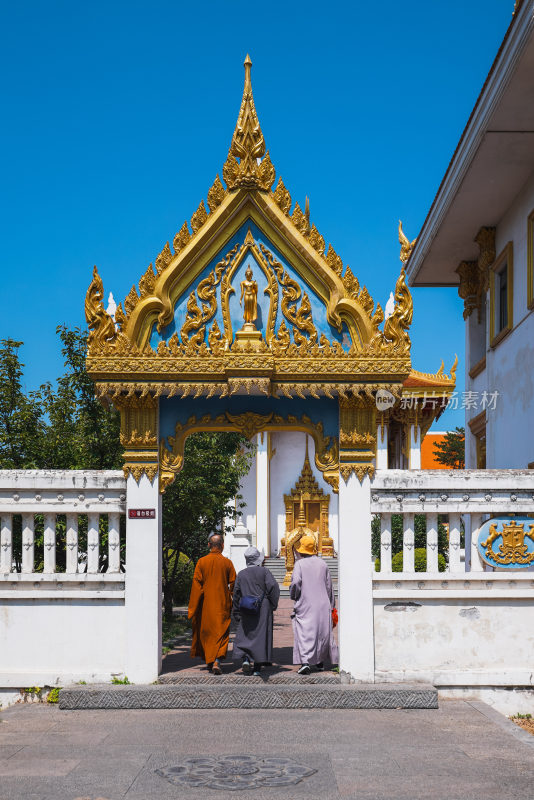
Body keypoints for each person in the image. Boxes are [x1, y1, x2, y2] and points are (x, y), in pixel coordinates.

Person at [289, 533, 338, 675]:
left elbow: (296, 583)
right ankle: (320, 662)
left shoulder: (299, 564)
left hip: (306, 603)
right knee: (321, 632)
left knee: (305, 632)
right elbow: (329, 586)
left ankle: (305, 662)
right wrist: (331, 604)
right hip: (323, 603)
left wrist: (294, 595)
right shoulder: (323, 563)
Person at [188, 534, 236, 674]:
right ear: (222, 546)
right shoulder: (227, 563)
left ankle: (210, 660)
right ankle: (217, 661)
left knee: (207, 633)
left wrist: (193, 608)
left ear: (209, 545)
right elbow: (233, 583)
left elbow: (197, 586)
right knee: (221, 633)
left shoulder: (202, 562)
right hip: (222, 604)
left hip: (205, 605)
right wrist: (231, 597)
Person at [232, 547, 280, 675]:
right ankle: (257, 668)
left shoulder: (241, 574)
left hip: (246, 605)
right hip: (262, 607)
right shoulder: (264, 572)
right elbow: (273, 587)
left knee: (246, 634)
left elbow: (236, 593)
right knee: (260, 636)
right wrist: (273, 604)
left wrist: (236, 610)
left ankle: (246, 659)